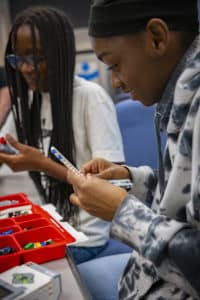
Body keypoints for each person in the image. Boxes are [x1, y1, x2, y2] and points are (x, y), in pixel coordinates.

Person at [62, 0, 200, 299]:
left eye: (114, 64)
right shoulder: (183, 96)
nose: (115, 82)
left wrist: (124, 213)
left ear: (157, 38)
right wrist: (130, 180)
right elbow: (184, 202)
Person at [0, 5, 125, 264]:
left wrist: (42, 164)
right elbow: (4, 144)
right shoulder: (30, 100)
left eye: (35, 58)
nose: (24, 69)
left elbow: (109, 187)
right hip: (49, 224)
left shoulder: (91, 98)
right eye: (18, 60)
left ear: (60, 55)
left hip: (83, 237)